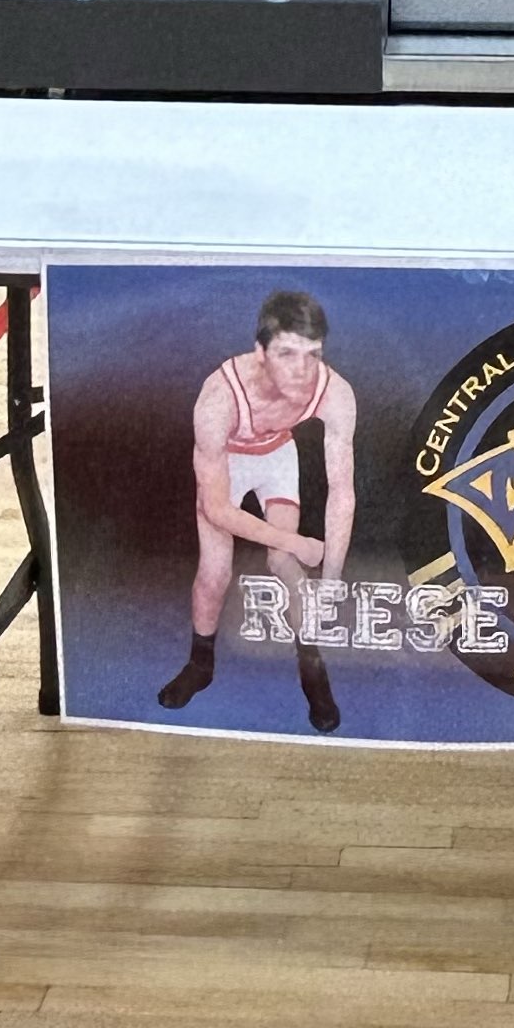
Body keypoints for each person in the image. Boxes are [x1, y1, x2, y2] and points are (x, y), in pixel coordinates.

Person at [160, 289, 358, 733]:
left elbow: (342, 491)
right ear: (260, 352)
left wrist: (332, 577)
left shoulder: (335, 392)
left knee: (284, 564)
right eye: (287, 353)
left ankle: (311, 665)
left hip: (276, 454)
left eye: (313, 354)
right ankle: (200, 664)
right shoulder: (218, 397)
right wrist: (298, 541)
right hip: (227, 461)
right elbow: (216, 508)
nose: (302, 370)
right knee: (215, 573)